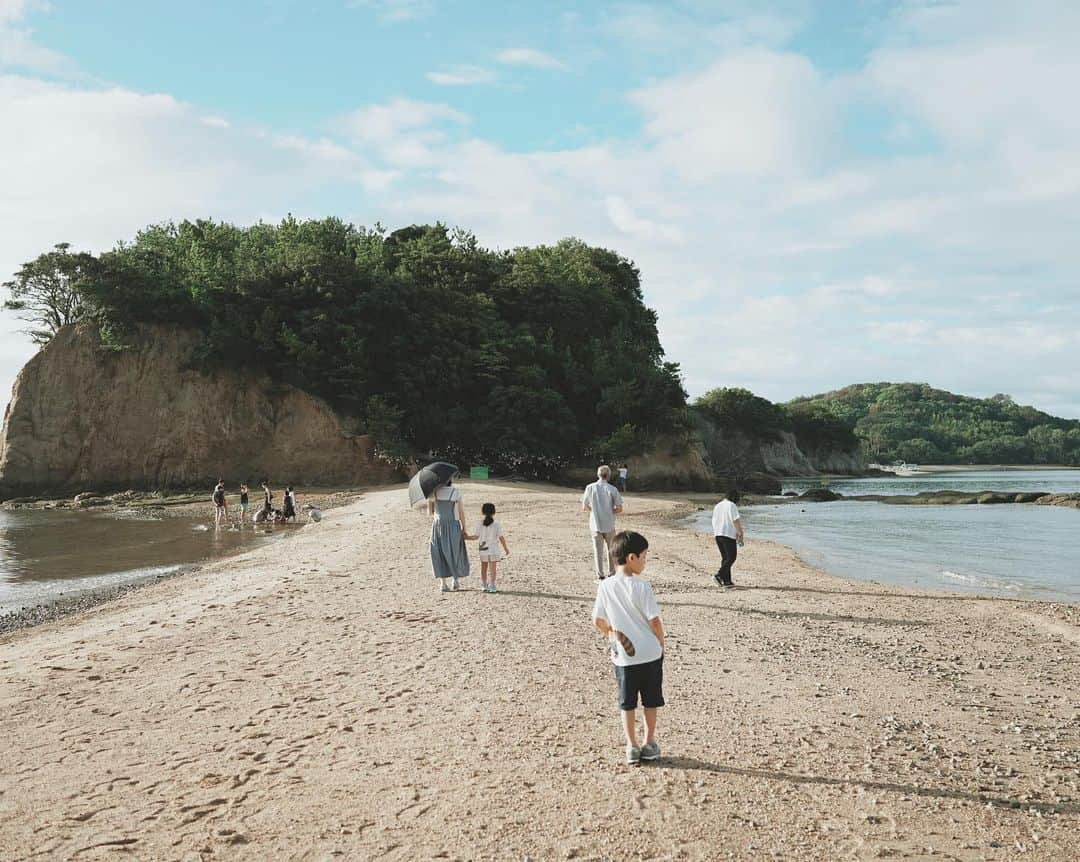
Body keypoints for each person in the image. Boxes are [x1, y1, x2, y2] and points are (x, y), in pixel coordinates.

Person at [591, 531, 665, 765]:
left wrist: (612, 634)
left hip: (624, 656)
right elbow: (654, 621)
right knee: (651, 700)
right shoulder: (642, 587)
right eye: (644, 556)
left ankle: (632, 746)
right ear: (632, 557)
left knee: (628, 702)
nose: (645, 561)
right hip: (649, 653)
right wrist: (661, 643)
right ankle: (649, 742)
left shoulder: (606, 586)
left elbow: (597, 620)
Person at [581, 464, 624, 581]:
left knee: (597, 551)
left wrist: (594, 511)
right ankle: (612, 573)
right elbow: (620, 508)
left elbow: (584, 507)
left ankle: (600, 576)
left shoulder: (589, 487)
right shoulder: (612, 489)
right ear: (608, 475)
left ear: (598, 474)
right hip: (609, 524)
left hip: (595, 524)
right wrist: (611, 511)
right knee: (611, 550)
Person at [428, 479, 470, 592]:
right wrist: (464, 528)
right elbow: (461, 512)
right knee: (455, 551)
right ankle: (455, 580)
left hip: (438, 526)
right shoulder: (455, 491)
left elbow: (430, 512)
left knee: (439, 552)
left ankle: (443, 584)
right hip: (453, 525)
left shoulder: (433, 492)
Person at [471, 502, 510, 594]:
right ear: (494, 512)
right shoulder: (497, 524)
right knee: (493, 569)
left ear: (482, 512)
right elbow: (501, 537)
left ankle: (484, 585)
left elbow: (475, 537)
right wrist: (506, 548)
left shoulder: (479, 523)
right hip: (493, 549)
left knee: (483, 568)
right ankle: (492, 585)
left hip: (483, 549)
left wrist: (465, 537)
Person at [712, 488, 745, 589]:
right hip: (727, 535)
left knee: (725, 558)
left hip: (718, 534)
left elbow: (714, 520)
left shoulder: (718, 505)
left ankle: (727, 581)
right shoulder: (731, 505)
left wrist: (716, 532)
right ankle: (719, 575)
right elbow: (735, 520)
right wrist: (740, 532)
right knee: (731, 557)